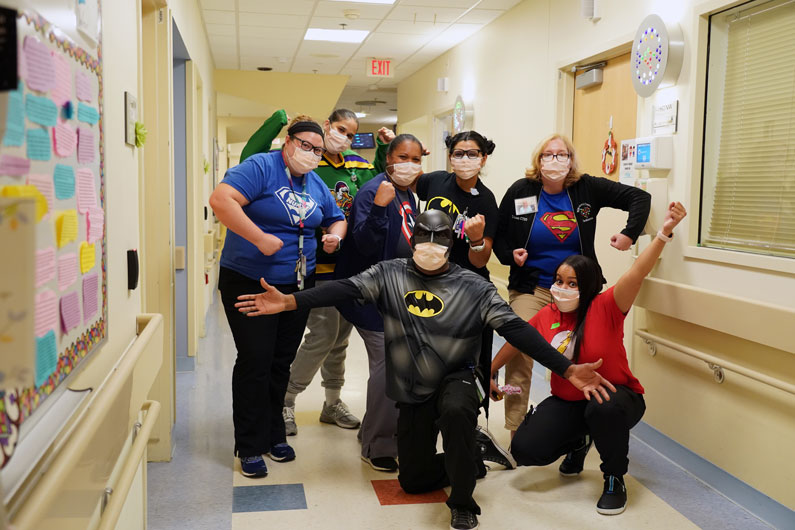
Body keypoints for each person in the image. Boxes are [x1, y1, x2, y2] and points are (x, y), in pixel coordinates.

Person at [235, 210, 615, 530]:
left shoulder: (473, 287)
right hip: (413, 385)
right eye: (424, 234)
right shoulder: (389, 274)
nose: (431, 243)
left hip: (459, 377)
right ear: (412, 236)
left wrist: (565, 368)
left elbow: (515, 329)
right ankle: (470, 457)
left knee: (455, 410)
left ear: (453, 241)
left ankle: (464, 503)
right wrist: (290, 302)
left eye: (441, 235)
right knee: (413, 480)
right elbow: (344, 290)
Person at [490, 201, 687, 516]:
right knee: (526, 449)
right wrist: (490, 371)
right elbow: (516, 340)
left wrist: (663, 233)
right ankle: (579, 441)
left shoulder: (607, 305)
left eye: (572, 284)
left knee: (602, 408)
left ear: (590, 287)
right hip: (569, 401)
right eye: (558, 281)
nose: (562, 289)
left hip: (616, 397)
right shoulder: (548, 314)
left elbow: (638, 271)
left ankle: (614, 478)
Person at [240, 108, 392, 436]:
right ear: (326, 127)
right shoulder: (304, 164)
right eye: (340, 129)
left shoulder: (358, 165)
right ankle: (285, 399)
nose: (345, 138)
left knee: (339, 339)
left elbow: (380, 181)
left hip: (350, 266)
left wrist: (381, 150)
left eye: (352, 134)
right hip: (314, 266)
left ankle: (332, 402)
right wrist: (277, 119)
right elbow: (249, 156)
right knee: (323, 334)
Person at [209, 116, 346, 478]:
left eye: (318, 150)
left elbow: (335, 217)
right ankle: (250, 444)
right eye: (305, 145)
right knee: (256, 358)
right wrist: (258, 238)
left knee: (281, 361)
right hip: (250, 280)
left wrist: (335, 234)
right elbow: (221, 201)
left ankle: (273, 434)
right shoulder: (260, 167)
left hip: (297, 286)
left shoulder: (314, 182)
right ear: (288, 142)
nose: (311, 154)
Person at [492, 133, 651, 437]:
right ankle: (515, 429)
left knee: (587, 353)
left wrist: (629, 233)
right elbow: (499, 235)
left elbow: (639, 198)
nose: (555, 161)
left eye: (562, 155)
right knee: (520, 353)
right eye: (548, 155)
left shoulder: (586, 188)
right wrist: (510, 255)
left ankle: (584, 427)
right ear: (538, 161)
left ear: (571, 160)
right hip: (534, 286)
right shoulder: (522, 191)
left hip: (580, 292)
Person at [334, 133, 423, 472]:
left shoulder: (408, 194)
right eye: (403, 157)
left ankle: (375, 430)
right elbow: (366, 245)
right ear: (389, 158)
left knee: (396, 364)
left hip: (395, 294)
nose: (409, 165)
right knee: (389, 365)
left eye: (416, 159)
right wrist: (380, 207)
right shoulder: (375, 191)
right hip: (368, 295)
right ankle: (378, 446)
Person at [414, 131, 502, 432]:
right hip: (428, 281)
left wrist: (476, 239)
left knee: (467, 362)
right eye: (458, 153)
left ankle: (468, 428)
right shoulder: (435, 181)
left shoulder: (487, 201)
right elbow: (407, 185)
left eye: (472, 153)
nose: (464, 159)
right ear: (449, 156)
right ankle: (425, 424)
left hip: (466, 290)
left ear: (484, 158)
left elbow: (481, 260)